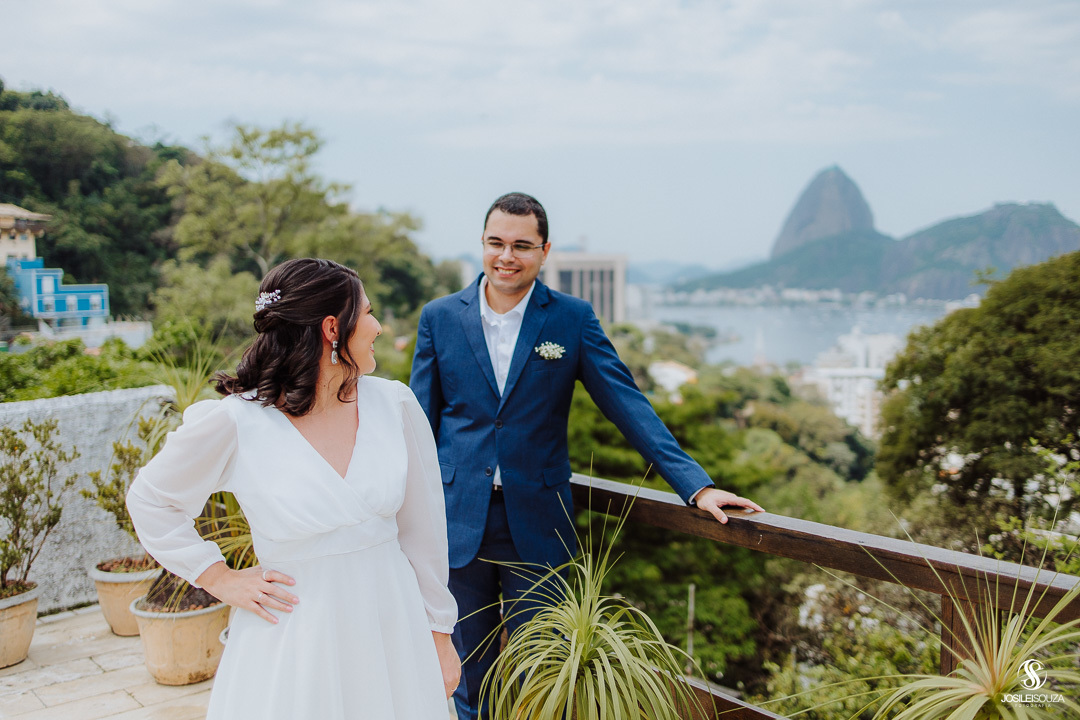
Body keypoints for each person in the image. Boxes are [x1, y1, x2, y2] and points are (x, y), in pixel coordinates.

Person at [410, 192, 765, 719]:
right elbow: (417, 423)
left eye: (521, 246)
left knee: (537, 678)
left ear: (545, 250)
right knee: (464, 675)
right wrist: (397, 510)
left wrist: (696, 485)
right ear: (482, 243)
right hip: (455, 521)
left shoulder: (571, 319)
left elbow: (627, 403)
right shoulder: (439, 317)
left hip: (538, 523)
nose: (506, 256)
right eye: (496, 243)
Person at [127, 258, 460, 720]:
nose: (378, 327)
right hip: (296, 639)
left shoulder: (394, 404)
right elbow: (150, 499)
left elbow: (424, 534)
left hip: (393, 628)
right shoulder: (238, 421)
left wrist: (440, 635)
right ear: (332, 328)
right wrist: (218, 578)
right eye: (367, 313)